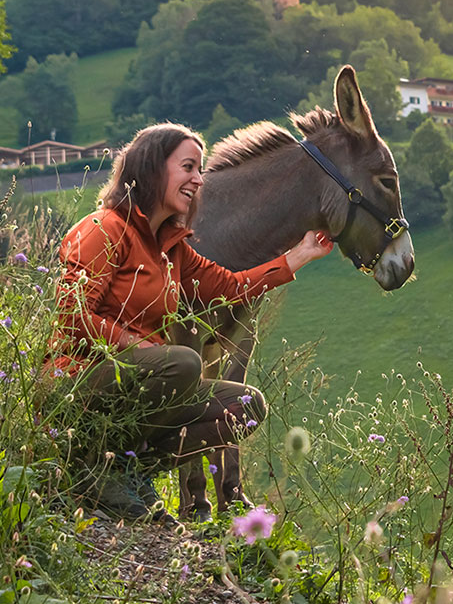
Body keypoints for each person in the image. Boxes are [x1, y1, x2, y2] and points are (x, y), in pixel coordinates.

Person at [44, 122, 332, 517]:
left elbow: (231, 285)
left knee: (245, 404)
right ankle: (92, 465)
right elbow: (72, 313)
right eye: (188, 168)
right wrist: (139, 346)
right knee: (184, 362)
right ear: (152, 169)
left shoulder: (172, 250)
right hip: (79, 383)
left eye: (199, 169)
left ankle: (129, 469)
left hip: (139, 382)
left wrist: (300, 255)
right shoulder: (103, 229)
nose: (199, 180)